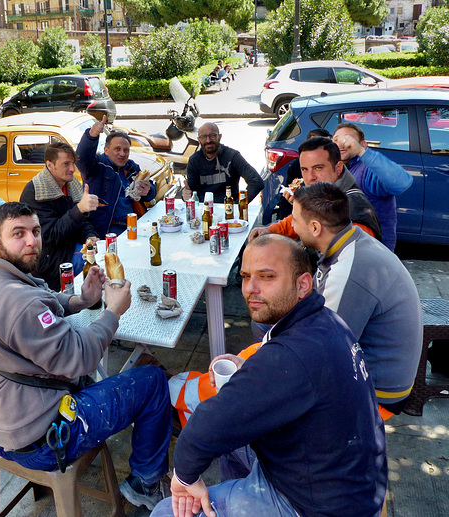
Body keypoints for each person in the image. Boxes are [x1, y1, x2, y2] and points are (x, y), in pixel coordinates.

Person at [151, 234, 387, 517]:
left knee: (167, 511)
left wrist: (184, 479)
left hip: (315, 505)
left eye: (267, 277)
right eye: (246, 276)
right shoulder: (325, 320)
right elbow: (283, 374)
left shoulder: (290, 356)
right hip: (347, 478)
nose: (251, 288)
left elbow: (206, 427)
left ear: (302, 284)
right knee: (231, 438)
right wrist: (245, 366)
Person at [0, 202, 172, 511]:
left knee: (113, 378)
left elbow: (42, 298)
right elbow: (80, 358)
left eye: (35, 232)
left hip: (0, 424)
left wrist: (83, 299)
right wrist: (113, 310)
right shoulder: (17, 301)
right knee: (153, 380)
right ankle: (145, 482)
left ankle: (153, 428)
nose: (31, 241)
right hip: (43, 439)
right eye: (18, 234)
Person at [291, 182, 422, 416]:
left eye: (295, 221)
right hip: (382, 366)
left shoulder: (348, 272)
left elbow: (323, 352)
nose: (292, 226)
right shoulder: (350, 238)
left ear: (314, 227)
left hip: (381, 391)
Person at [249, 136, 382, 243]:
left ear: (338, 168)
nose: (310, 177)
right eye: (304, 170)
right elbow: (303, 219)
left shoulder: (354, 212)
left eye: (318, 168)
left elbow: (354, 267)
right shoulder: (325, 196)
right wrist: (270, 230)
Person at [20, 141, 100, 290]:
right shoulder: (35, 192)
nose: (72, 169)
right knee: (96, 267)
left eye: (73, 163)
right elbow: (49, 236)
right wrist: (79, 210)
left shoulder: (70, 184)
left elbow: (83, 221)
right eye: (66, 164)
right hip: (50, 259)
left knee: (103, 256)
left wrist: (90, 236)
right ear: (50, 165)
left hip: (70, 247)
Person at [333, 122, 413, 251]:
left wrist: (360, 151)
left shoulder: (367, 171)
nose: (342, 143)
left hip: (372, 253)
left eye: (348, 139)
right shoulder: (336, 170)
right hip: (345, 250)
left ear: (363, 144)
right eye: (336, 139)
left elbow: (402, 182)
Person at [76, 115, 156, 237]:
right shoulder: (96, 166)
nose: (122, 154)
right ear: (106, 150)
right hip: (109, 229)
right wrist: (91, 136)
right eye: (117, 149)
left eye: (126, 150)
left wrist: (149, 190)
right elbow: (82, 158)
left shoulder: (131, 167)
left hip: (135, 222)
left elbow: (151, 190)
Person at [182, 122, 263, 204]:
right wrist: (184, 194)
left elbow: (256, 182)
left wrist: (239, 205)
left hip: (229, 211)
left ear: (219, 137)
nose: (208, 140)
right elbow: (190, 190)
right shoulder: (194, 160)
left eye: (212, 136)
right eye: (203, 137)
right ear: (199, 140)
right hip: (204, 211)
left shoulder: (232, 156)